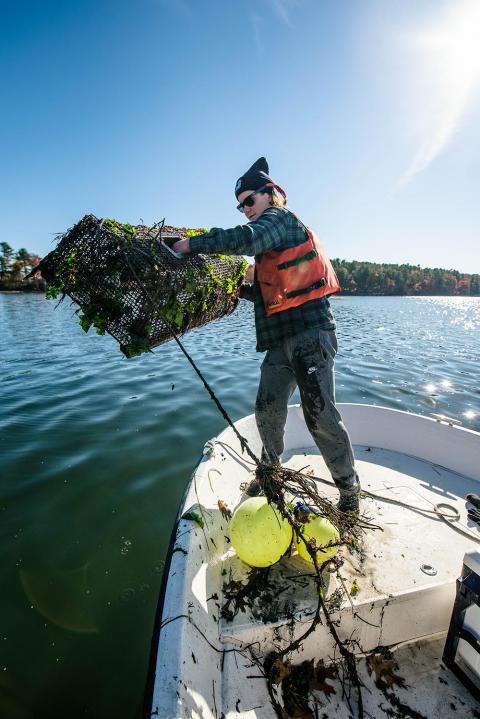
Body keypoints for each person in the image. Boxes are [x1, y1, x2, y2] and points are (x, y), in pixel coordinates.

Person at [172, 157, 360, 512]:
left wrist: (191, 245)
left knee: (319, 416)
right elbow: (264, 292)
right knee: (267, 408)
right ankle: (270, 473)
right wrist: (231, 291)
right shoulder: (271, 234)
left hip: (311, 337)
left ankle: (349, 491)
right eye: (240, 205)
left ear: (271, 194)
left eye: (249, 201)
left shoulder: (278, 220)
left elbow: (247, 239)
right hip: (280, 343)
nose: (245, 211)